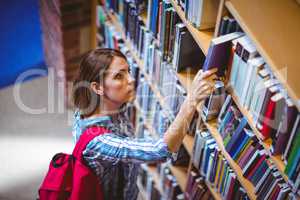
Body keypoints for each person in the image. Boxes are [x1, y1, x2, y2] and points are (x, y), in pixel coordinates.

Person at [72, 48, 217, 200]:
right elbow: (161, 150)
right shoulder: (99, 142)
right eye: (119, 76)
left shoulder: (102, 105)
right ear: (97, 88)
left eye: (128, 71)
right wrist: (192, 100)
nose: (131, 79)